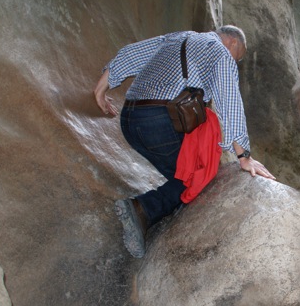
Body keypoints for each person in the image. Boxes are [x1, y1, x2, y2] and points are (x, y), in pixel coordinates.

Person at [94, 25, 275, 258]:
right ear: (232, 43)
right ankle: (141, 210)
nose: (235, 62)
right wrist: (244, 157)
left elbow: (132, 54)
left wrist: (101, 89)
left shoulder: (179, 36)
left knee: (181, 175)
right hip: (159, 122)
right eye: (237, 58)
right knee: (196, 175)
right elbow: (229, 102)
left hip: (130, 119)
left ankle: (167, 209)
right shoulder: (221, 53)